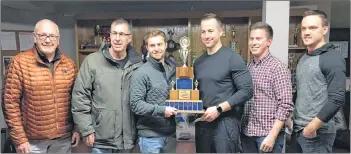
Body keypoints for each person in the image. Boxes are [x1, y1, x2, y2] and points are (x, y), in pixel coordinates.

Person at [2, 19, 80, 153]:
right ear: (35, 37)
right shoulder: (19, 63)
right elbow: (10, 103)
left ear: (58, 39)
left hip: (63, 139)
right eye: (43, 35)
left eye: (52, 36)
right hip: (32, 142)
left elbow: (78, 100)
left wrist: (77, 128)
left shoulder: (69, 64)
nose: (48, 40)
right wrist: (20, 139)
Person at [71, 18, 143, 153]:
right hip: (100, 141)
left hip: (128, 142)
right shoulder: (92, 61)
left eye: (122, 34)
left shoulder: (138, 65)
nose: (117, 38)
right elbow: (80, 97)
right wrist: (86, 130)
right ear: (109, 36)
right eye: (114, 33)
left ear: (129, 38)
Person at [193, 13, 253, 153]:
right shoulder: (198, 62)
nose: (206, 35)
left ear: (221, 31)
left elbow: (247, 91)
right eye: (203, 32)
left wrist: (219, 109)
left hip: (226, 123)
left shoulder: (233, 58)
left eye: (210, 31)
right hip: (203, 122)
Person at [292, 10, 346, 153]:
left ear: (324, 30)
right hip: (298, 129)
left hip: (317, 134)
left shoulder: (332, 58)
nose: (307, 32)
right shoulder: (303, 59)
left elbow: (337, 98)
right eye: (304, 28)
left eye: (312, 28)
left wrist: (312, 127)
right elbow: (301, 93)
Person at [241, 22, 294, 153]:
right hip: (248, 133)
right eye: (251, 38)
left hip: (267, 136)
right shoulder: (249, 67)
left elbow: (286, 105)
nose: (253, 42)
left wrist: (272, 136)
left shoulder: (277, 68)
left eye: (258, 39)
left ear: (269, 41)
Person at [130, 29, 177, 153]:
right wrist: (162, 110)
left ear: (165, 45)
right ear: (147, 48)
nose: (156, 49)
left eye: (159, 44)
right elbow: (135, 105)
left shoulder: (171, 70)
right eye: (152, 45)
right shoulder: (141, 72)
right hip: (150, 137)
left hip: (170, 135)